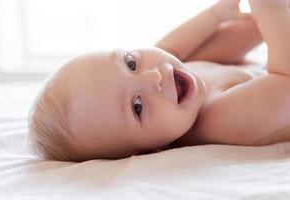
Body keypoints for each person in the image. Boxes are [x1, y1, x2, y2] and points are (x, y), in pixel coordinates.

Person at [28, 0, 290, 162]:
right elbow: (285, 83)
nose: (152, 76)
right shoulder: (218, 120)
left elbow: (170, 48)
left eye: (130, 63)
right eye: (137, 106)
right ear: (151, 151)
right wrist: (270, 9)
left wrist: (217, 14)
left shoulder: (172, 82)